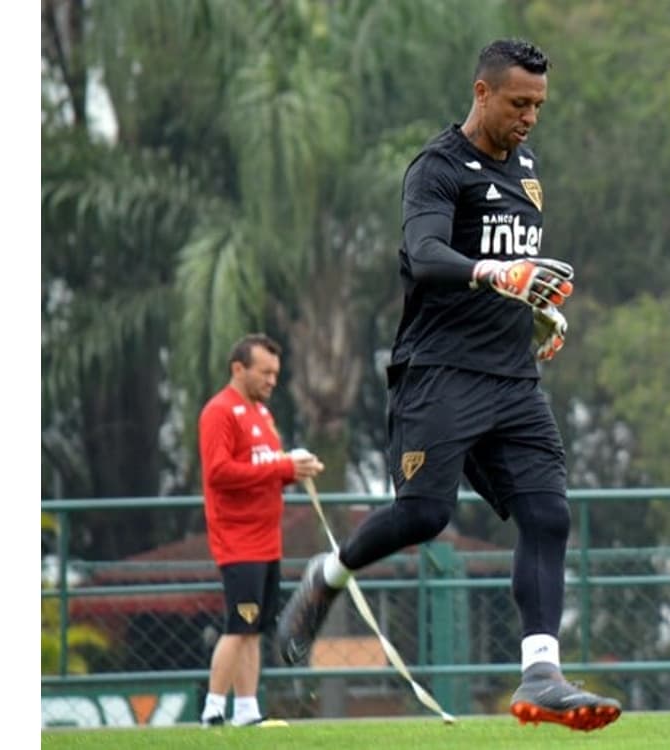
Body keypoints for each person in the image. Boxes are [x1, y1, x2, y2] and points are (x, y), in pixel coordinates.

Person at [275, 38, 621, 732]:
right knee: (425, 516)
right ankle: (328, 574)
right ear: (482, 92)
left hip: (512, 379)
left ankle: (542, 673)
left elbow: (515, 265)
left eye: (539, 106)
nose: (530, 117)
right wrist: (498, 277)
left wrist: (542, 313)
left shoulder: (526, 167)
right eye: (519, 103)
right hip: (439, 375)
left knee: (549, 514)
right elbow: (427, 255)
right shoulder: (437, 169)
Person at [199, 333, 325, 727]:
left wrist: (295, 469)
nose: (273, 380)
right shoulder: (219, 412)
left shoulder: (262, 415)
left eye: (276, 373)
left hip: (267, 540)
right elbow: (219, 473)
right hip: (238, 542)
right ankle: (213, 710)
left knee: (253, 630)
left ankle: (247, 711)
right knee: (238, 627)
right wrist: (283, 467)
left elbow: (263, 469)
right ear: (239, 369)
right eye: (265, 372)